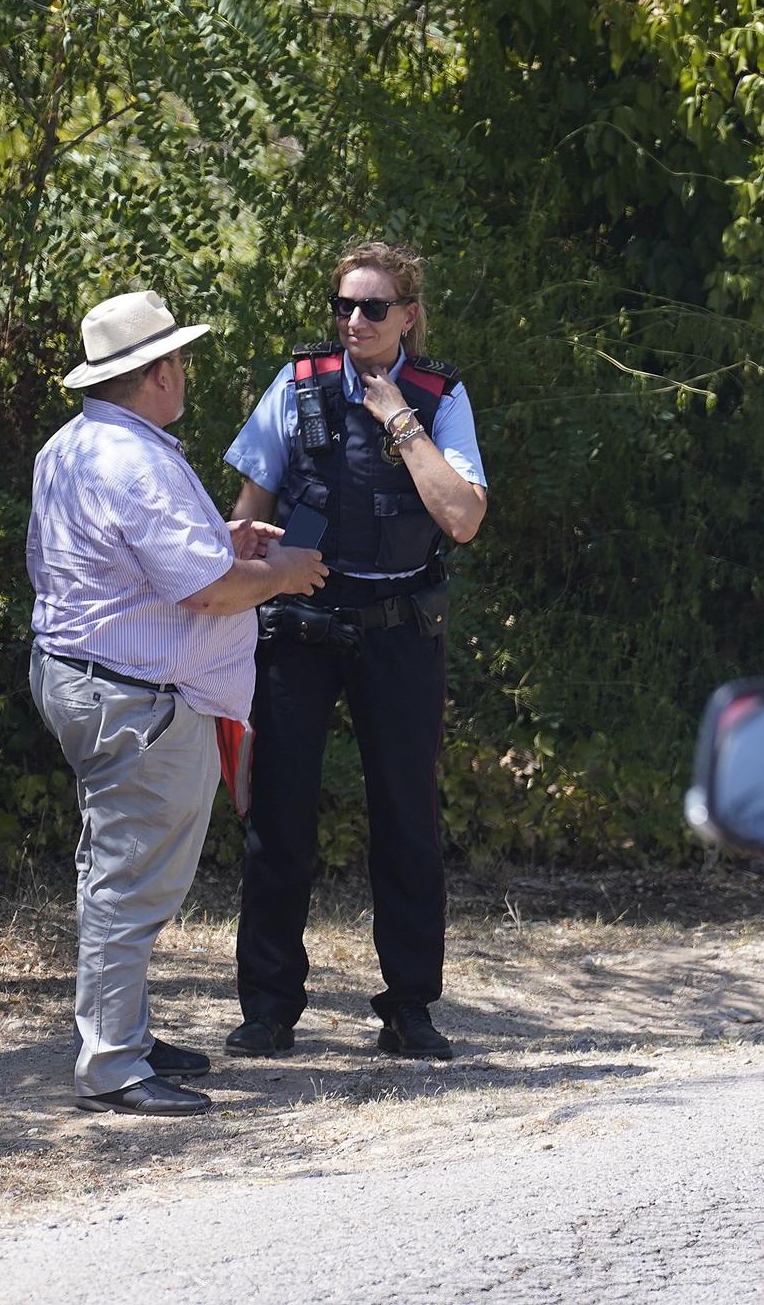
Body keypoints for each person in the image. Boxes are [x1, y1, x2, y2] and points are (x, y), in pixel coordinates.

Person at [27, 289, 328, 1116]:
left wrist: (227, 548)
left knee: (114, 870)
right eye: (180, 359)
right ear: (158, 372)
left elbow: (132, 565)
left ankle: (120, 1029)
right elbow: (207, 593)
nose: (184, 371)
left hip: (90, 681)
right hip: (137, 701)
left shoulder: (76, 445)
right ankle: (114, 1064)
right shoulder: (137, 460)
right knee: (133, 882)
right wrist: (283, 573)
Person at [223, 241, 488, 1061]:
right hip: (299, 622)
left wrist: (397, 420)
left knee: (407, 819)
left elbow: (464, 517)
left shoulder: (440, 397)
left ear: (407, 314)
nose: (354, 321)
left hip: (399, 626)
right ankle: (269, 1008)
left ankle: (409, 1008)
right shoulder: (296, 383)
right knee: (280, 819)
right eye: (343, 305)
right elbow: (250, 508)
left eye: (373, 307)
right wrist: (236, 594)